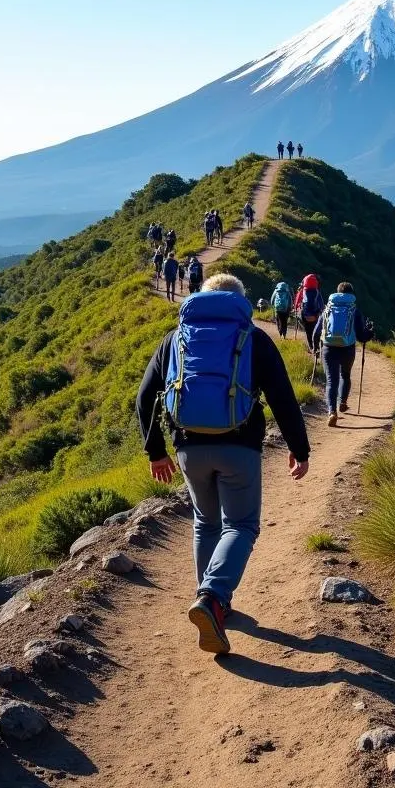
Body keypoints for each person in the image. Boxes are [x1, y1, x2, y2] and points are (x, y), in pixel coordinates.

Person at [136, 273, 310, 654]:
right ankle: (213, 598)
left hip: (187, 448)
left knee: (206, 522)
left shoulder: (175, 339)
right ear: (240, 302)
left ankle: (214, 602)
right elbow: (282, 397)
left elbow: (145, 396)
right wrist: (300, 449)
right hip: (239, 446)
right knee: (242, 525)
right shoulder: (253, 338)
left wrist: (156, 451)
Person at [318, 282, 374, 426]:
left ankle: (332, 412)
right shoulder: (354, 310)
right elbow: (362, 336)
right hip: (347, 349)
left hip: (328, 348)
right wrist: (370, 332)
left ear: (337, 292)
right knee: (345, 375)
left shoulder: (328, 308)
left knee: (331, 381)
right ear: (351, 294)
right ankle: (343, 402)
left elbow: (317, 331)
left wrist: (314, 347)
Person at [298, 273, 324, 354]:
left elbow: (298, 301)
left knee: (308, 331)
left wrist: (296, 308)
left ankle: (311, 347)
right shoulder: (317, 292)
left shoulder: (303, 291)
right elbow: (321, 304)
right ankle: (316, 347)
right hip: (315, 315)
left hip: (305, 315)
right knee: (315, 330)